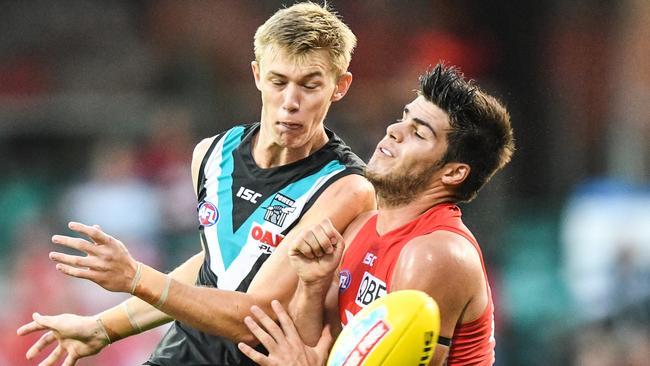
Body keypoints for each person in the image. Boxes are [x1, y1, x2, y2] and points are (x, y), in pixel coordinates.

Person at [16, 3, 376, 366]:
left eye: (310, 85)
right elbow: (214, 266)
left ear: (340, 86)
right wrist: (104, 327)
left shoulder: (346, 188)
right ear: (256, 75)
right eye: (278, 82)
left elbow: (257, 316)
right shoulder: (211, 155)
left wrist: (136, 277)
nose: (290, 103)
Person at [239, 64, 515, 366]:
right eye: (403, 119)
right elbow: (312, 348)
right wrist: (312, 286)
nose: (393, 131)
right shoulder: (361, 227)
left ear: (454, 172)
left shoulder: (436, 254)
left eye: (419, 133)